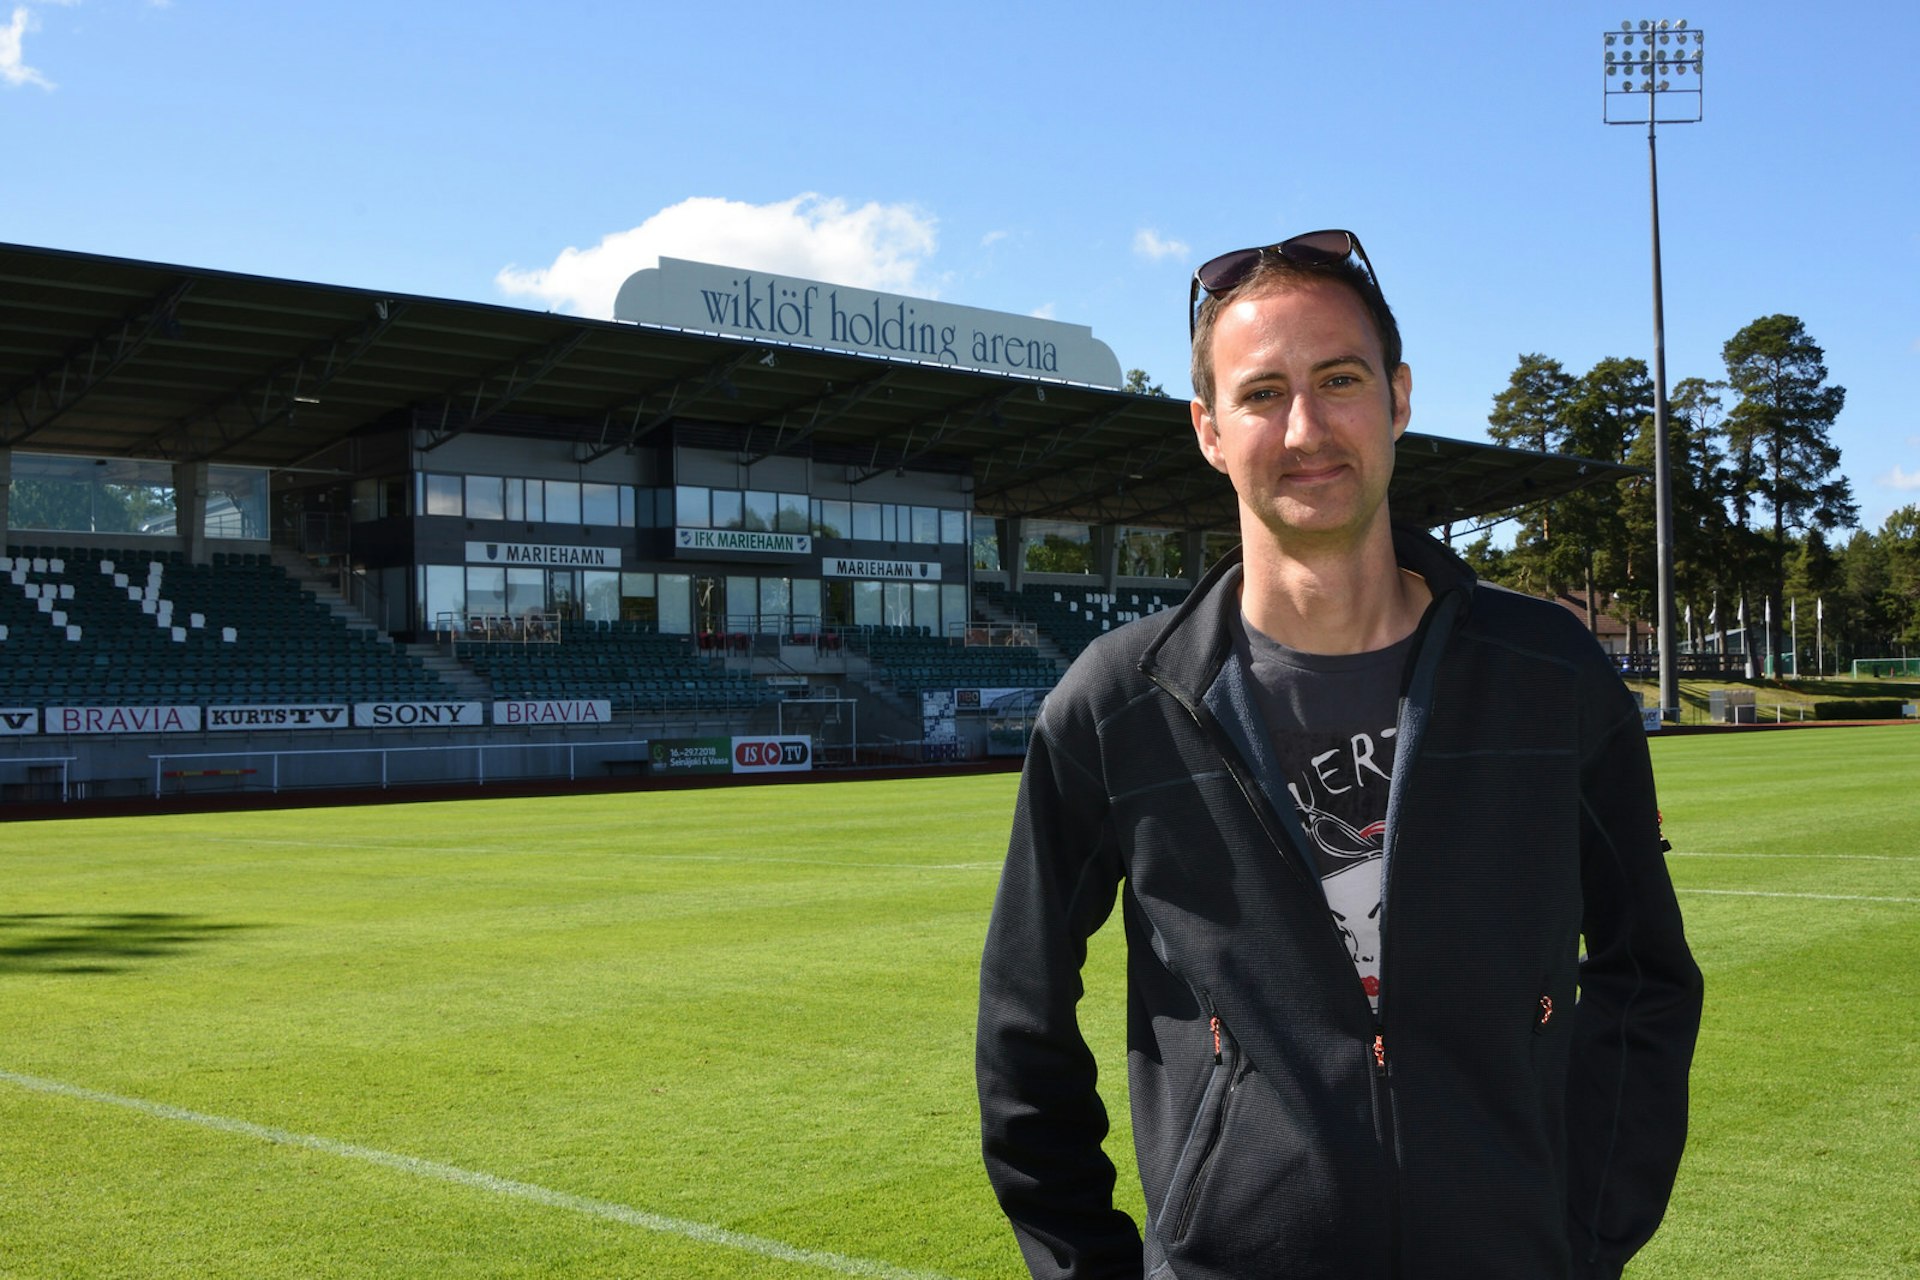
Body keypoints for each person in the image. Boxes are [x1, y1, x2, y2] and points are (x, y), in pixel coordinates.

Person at [975, 230, 1703, 1280]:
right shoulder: (1117, 705)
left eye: (1340, 379)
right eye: (1262, 391)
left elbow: (1648, 973)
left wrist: (1580, 1238)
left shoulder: (1549, 675)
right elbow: (1021, 1017)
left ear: (1399, 398)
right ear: (1210, 430)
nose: (1306, 426)